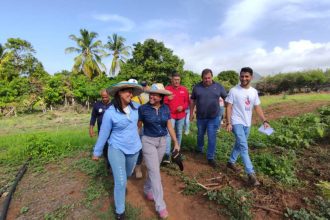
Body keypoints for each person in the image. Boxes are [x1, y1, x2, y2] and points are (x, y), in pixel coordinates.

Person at [92, 81, 143, 220]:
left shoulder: (137, 108)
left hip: (134, 149)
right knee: (120, 181)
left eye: (131, 91)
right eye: (127, 91)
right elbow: (103, 133)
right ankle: (120, 212)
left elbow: (151, 109)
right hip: (116, 148)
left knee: (126, 175)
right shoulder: (110, 113)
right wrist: (97, 152)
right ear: (119, 93)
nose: (130, 93)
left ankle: (120, 186)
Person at [138, 83, 180, 219]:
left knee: (154, 168)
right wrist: (135, 141)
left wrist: (175, 141)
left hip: (162, 142)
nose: (151, 96)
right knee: (155, 172)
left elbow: (169, 126)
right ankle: (160, 206)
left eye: (155, 94)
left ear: (161, 97)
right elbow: (138, 126)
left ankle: (147, 188)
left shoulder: (166, 109)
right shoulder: (143, 109)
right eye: (151, 93)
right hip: (148, 141)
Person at [225, 67, 270, 186]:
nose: (244, 78)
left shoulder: (254, 92)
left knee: (239, 145)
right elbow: (228, 106)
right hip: (236, 122)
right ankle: (251, 174)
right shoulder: (234, 90)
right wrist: (229, 122)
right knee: (244, 147)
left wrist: (264, 120)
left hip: (247, 123)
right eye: (242, 76)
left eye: (246, 76)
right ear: (239, 76)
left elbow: (257, 107)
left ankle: (231, 162)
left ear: (251, 77)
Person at [190, 68, 227, 168]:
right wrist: (191, 113)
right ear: (202, 78)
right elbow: (192, 101)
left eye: (209, 78)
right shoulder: (196, 87)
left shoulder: (218, 86)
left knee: (212, 137)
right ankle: (199, 150)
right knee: (200, 135)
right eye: (205, 78)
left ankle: (210, 157)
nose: (207, 80)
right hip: (200, 117)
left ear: (212, 77)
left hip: (213, 117)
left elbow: (226, 98)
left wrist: (229, 112)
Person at [163, 72, 189, 164]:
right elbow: (162, 102)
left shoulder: (184, 90)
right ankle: (166, 154)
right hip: (170, 115)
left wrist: (183, 107)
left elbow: (187, 102)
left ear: (180, 80)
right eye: (175, 80)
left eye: (178, 80)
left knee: (179, 133)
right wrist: (167, 99)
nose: (176, 81)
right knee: (169, 134)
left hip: (181, 115)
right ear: (172, 80)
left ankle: (176, 151)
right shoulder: (167, 89)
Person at [129, 79, 149, 179]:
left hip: (138, 127)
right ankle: (129, 167)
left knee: (139, 148)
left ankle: (137, 167)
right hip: (126, 129)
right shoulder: (122, 99)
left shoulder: (144, 97)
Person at [89, 89, 112, 170]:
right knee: (105, 147)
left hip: (113, 131)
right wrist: (91, 129)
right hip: (101, 131)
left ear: (109, 96)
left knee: (112, 147)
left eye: (106, 97)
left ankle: (112, 162)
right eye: (103, 97)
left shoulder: (114, 104)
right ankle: (107, 162)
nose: (104, 99)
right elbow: (93, 117)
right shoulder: (97, 105)